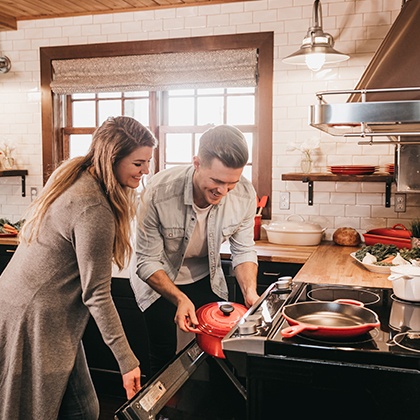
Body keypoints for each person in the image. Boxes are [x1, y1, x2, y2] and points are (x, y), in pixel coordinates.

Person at [0, 116, 157, 419]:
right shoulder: (93, 206)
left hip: (24, 305)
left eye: (147, 162)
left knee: (81, 408)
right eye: (138, 163)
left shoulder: (79, 175)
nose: (145, 171)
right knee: (74, 411)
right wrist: (127, 362)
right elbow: (97, 294)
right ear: (113, 157)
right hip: (36, 317)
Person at [130, 124, 259, 375]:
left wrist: (250, 292)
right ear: (197, 163)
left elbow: (243, 250)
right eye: (217, 181)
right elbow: (147, 261)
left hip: (205, 276)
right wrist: (179, 298)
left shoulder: (244, 194)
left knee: (219, 354)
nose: (222, 191)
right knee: (164, 355)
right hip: (159, 278)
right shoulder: (158, 192)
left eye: (231, 183)